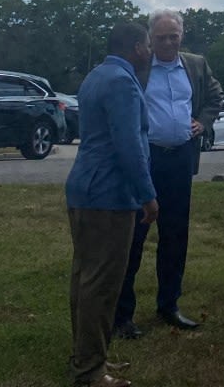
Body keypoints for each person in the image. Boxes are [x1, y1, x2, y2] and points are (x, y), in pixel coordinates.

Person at [113, 9, 224, 338]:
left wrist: (203, 121)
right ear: (150, 39)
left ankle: (169, 305)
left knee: (175, 236)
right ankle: (122, 315)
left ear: (182, 35)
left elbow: (216, 96)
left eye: (172, 36)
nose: (166, 43)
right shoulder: (139, 66)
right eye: (160, 38)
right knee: (134, 238)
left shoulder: (195, 65)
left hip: (179, 162)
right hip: (146, 161)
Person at [65, 23, 159, 387]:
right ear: (136, 47)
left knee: (84, 280)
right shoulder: (122, 82)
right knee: (101, 286)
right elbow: (129, 145)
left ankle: (89, 357)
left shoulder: (95, 76)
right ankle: (89, 372)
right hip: (107, 196)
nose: (150, 52)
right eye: (148, 46)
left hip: (84, 191)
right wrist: (147, 196)